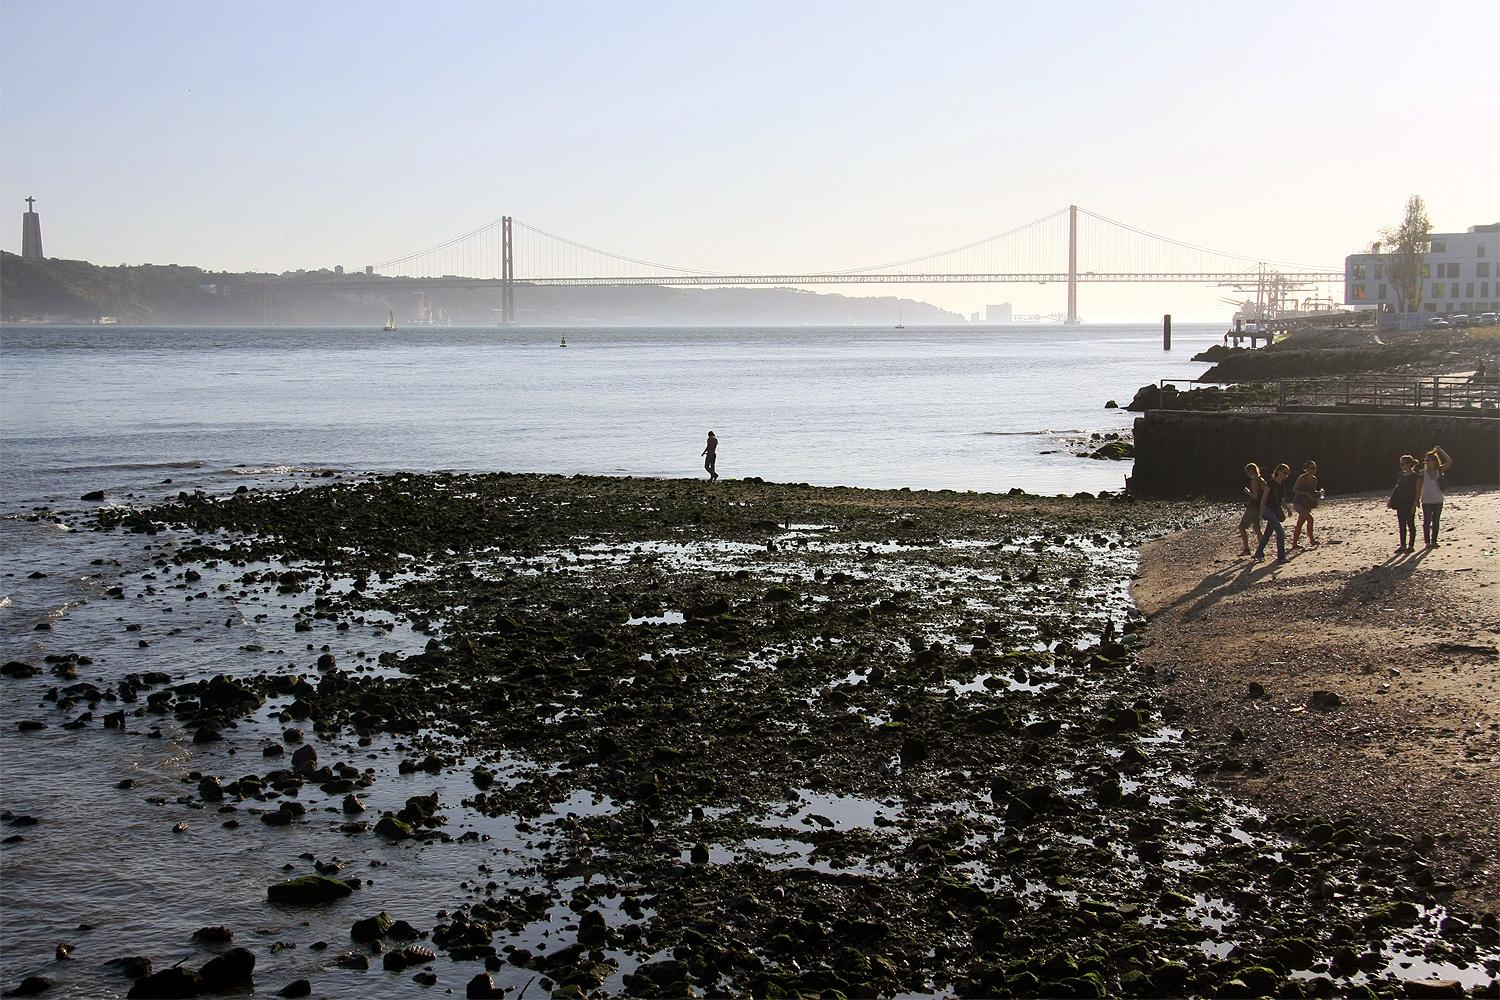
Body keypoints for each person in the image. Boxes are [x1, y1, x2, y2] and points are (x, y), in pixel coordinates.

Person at [1253, 464, 1291, 563]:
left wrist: (1287, 508)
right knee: (1280, 532)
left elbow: (1281, 499)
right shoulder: (1270, 483)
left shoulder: (1282, 484)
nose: (1286, 475)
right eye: (1284, 472)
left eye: (1287, 473)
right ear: (1278, 472)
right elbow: (1264, 498)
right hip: (1268, 510)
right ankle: (1281, 557)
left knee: (1267, 534)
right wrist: (1261, 513)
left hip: (1276, 510)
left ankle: (1258, 554)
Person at [1387, 455, 1422, 553]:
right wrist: (1391, 499)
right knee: (1401, 525)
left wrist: (1415, 504)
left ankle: (1411, 545)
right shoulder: (1401, 475)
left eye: (1402, 464)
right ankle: (1402, 545)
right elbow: (1397, 487)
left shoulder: (1417, 477)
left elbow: (1418, 492)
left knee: (1410, 524)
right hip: (1400, 502)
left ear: (1409, 464)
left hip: (1410, 502)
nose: (1401, 466)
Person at [1421, 445, 1452, 547]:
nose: (1427, 463)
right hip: (1426, 500)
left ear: (1434, 461)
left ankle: (1434, 541)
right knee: (1427, 522)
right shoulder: (1423, 473)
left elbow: (1449, 461)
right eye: (1426, 461)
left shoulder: (1440, 470)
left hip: (1438, 500)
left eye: (1428, 460)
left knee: (1436, 521)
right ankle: (1427, 542)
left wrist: (1441, 451)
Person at [1237, 463, 1267, 555]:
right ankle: (1261, 550)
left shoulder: (1254, 481)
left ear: (1250, 471)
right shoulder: (1262, 481)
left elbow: (1255, 496)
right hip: (1260, 507)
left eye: (1247, 472)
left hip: (1253, 507)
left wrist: (1248, 492)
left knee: (1242, 527)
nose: (1247, 474)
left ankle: (1246, 549)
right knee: (1257, 529)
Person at [1290, 460, 1320, 548]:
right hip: (1299, 503)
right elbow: (1295, 490)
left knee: (1300, 523)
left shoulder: (1314, 479)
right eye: (1311, 468)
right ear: (1306, 469)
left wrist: (1317, 493)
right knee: (1310, 519)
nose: (1314, 470)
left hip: (1307, 504)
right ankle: (1312, 540)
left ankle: (1294, 543)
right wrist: (1306, 494)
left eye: (1315, 468)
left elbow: (1312, 491)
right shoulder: (1302, 478)